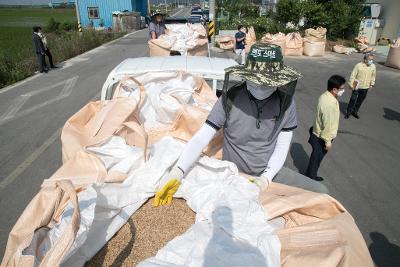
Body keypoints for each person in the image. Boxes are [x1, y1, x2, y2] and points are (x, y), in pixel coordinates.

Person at [154, 44, 327, 207]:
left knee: (321, 193)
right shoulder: (230, 99)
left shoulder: (287, 103)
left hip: (269, 172)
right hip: (232, 172)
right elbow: (202, 136)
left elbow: (282, 146)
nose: (260, 86)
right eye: (255, 81)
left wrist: (265, 178)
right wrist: (178, 170)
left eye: (266, 83)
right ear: (247, 76)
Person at [306, 75, 346, 181]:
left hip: (317, 132)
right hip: (322, 137)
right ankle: (310, 178)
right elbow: (327, 125)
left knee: (315, 157)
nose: (343, 90)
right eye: (342, 88)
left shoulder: (324, 96)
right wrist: (328, 142)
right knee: (317, 158)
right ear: (334, 89)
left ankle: (310, 174)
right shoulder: (330, 104)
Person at [345, 53, 376, 119]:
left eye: (372, 59)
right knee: (353, 99)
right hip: (356, 86)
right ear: (365, 59)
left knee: (360, 100)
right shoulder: (358, 65)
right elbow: (353, 75)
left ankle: (355, 111)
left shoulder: (373, 66)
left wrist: (372, 84)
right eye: (370, 59)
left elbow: (373, 76)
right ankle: (348, 112)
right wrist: (351, 85)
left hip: (366, 87)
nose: (371, 61)